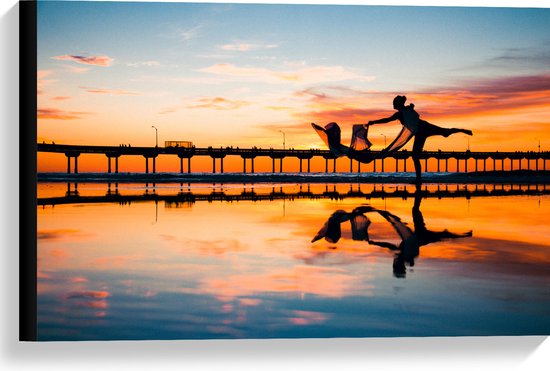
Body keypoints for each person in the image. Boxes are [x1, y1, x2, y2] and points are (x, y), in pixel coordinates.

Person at [368, 95, 472, 183]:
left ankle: (462, 130)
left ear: (398, 104)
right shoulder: (405, 111)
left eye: (394, 103)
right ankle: (418, 178)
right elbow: (396, 118)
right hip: (420, 133)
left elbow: (387, 120)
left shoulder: (401, 113)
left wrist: (373, 122)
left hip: (424, 128)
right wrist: (411, 108)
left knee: (445, 132)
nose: (393, 105)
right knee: (415, 155)